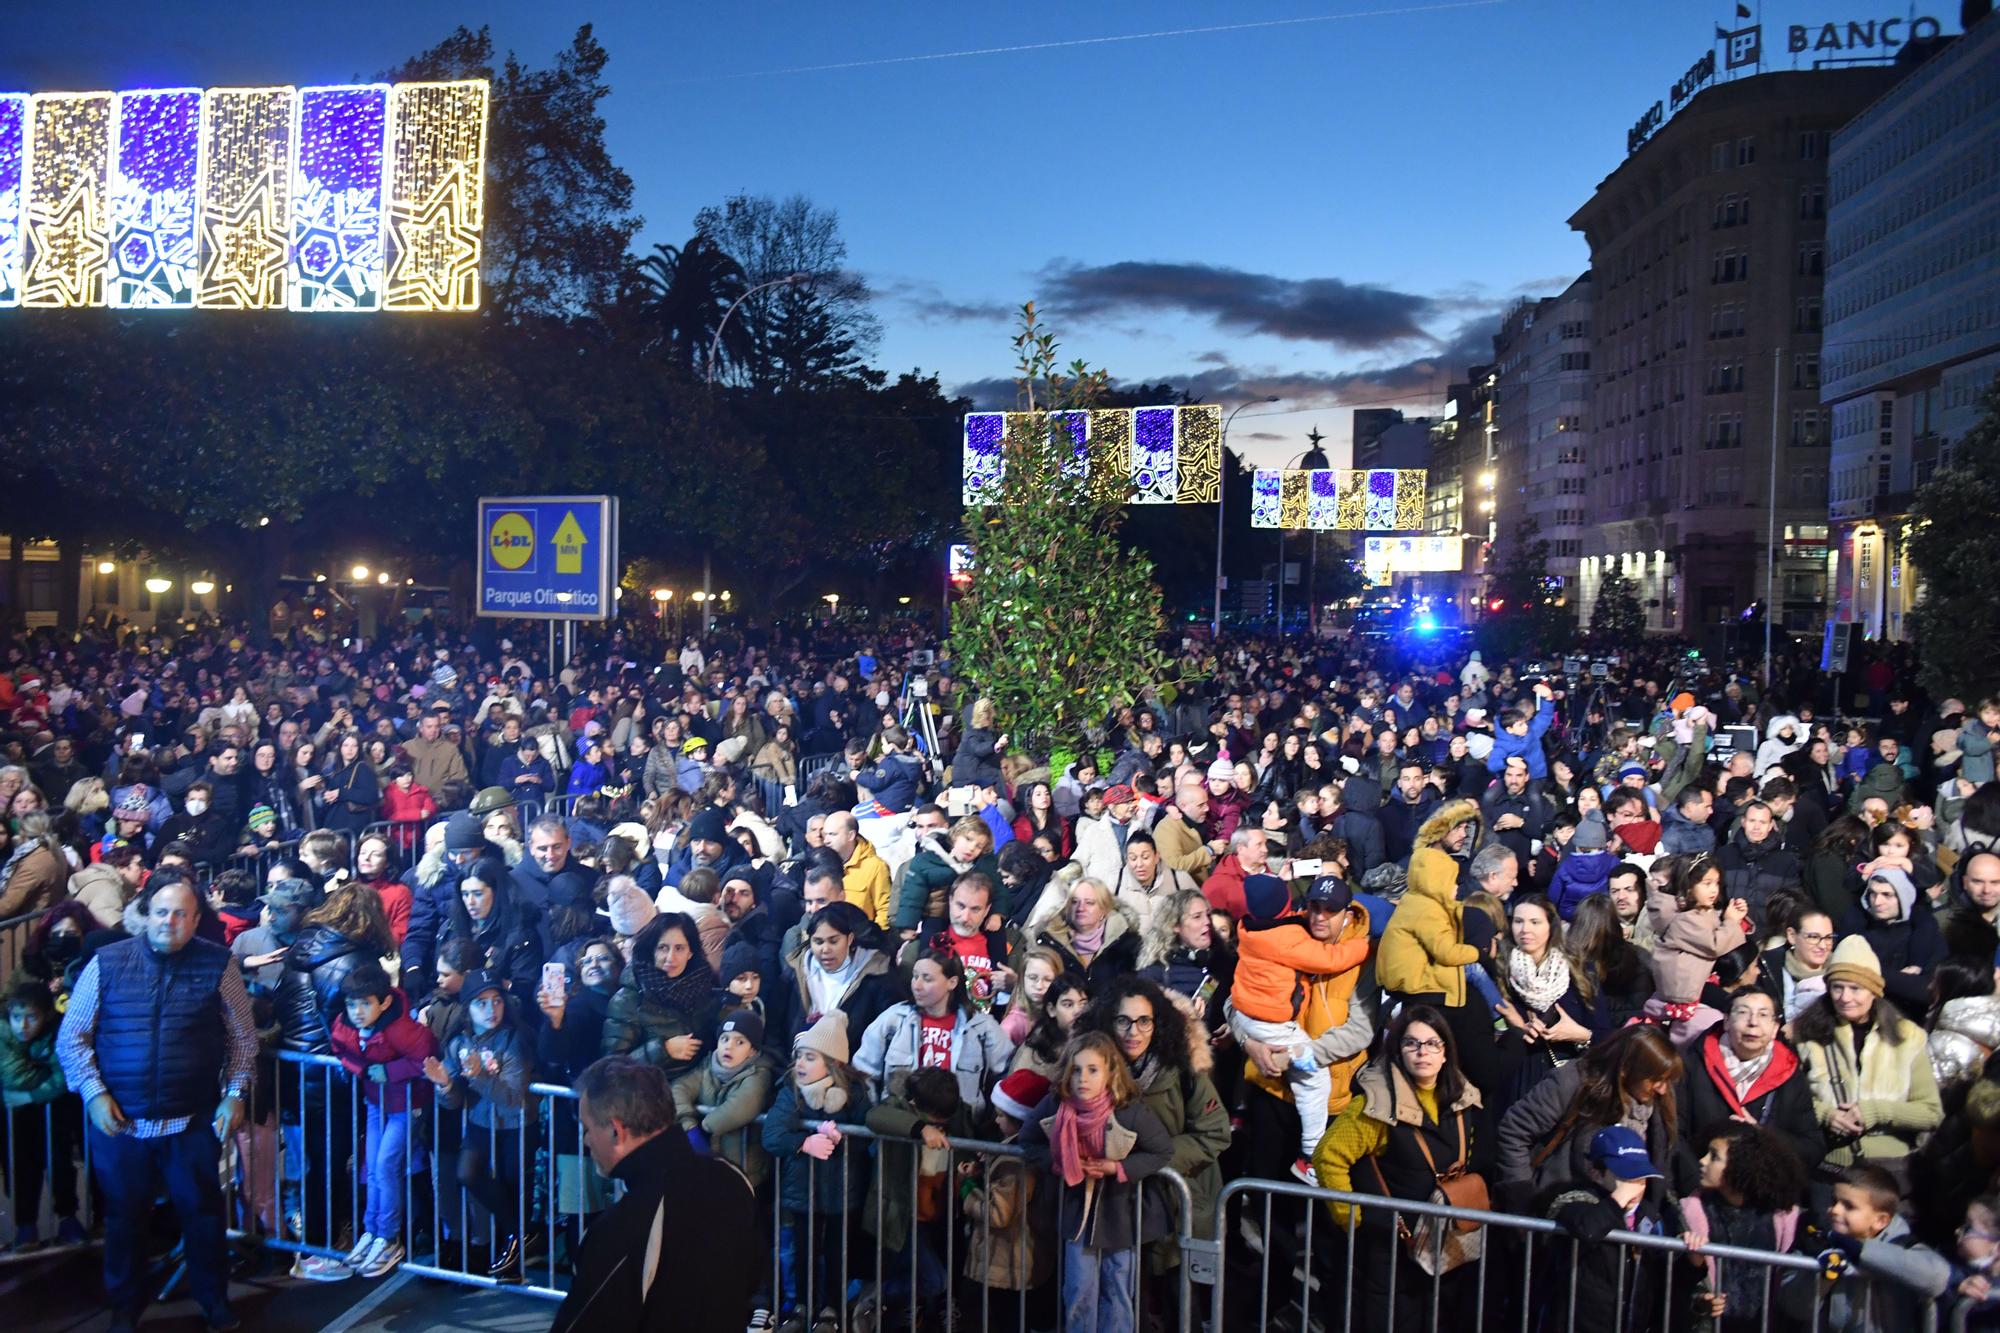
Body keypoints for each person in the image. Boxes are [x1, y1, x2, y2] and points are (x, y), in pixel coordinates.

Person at [55, 880, 256, 1331]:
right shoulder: (106, 963)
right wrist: (93, 1092)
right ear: (147, 913)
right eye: (163, 912)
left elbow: (243, 1038)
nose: (171, 921)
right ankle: (124, 1308)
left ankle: (214, 1302)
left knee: (203, 1218)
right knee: (124, 1221)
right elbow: (73, 1036)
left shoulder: (219, 964)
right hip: (121, 1125)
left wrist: (235, 1093)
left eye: (182, 914)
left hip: (191, 1123)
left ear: (196, 919)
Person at [1309, 1004, 1487, 1333]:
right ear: (1398, 1050)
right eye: (1412, 1043)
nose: (1423, 1052)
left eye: (1433, 1043)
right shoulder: (1376, 1104)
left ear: (1446, 1052)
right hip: (1388, 1252)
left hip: (1443, 1244)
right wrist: (1353, 1218)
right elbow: (1328, 1156)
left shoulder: (1463, 1101)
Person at [550, 1055, 759, 1333]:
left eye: (587, 1129)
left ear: (616, 1130)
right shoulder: (733, 1179)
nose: (586, 1140)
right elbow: (754, 1275)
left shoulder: (621, 1228)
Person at [1019, 1028, 1174, 1333]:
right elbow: (1028, 1140)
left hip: (1120, 1213)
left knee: (1117, 1288)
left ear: (1109, 1072)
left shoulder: (1129, 1110)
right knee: (1078, 1289)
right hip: (1079, 1213)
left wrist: (1117, 1168)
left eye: (1092, 1070)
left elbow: (1161, 1151)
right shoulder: (1056, 1105)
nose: (1083, 1079)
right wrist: (1060, 1163)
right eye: (1076, 1070)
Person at [1225, 872, 1369, 1178]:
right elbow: (1233, 1003)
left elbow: (1360, 1032)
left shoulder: (1360, 958)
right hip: (1273, 1088)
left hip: (1328, 1098)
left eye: (1331, 910)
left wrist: (1295, 1054)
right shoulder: (1282, 934)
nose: (1320, 917)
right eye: (1315, 907)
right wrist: (1249, 1044)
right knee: (1269, 1188)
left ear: (1347, 913)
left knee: (1316, 1206)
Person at [1794, 935, 1943, 1184]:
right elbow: (1792, 1102)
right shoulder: (1808, 1035)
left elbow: (1931, 1112)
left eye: (1855, 988)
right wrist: (1827, 1115)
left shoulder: (1908, 1037)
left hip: (1888, 1170)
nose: (1844, 997)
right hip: (1828, 1166)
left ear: (1874, 992)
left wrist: (1876, 1111)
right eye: (1837, 987)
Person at [421, 969, 537, 1282]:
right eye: (481, 1003)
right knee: (468, 1173)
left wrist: (479, 1077)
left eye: (496, 1001)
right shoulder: (460, 1041)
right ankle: (519, 1236)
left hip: (516, 1124)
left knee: (514, 1188)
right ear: (467, 1008)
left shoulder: (515, 1039)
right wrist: (445, 1085)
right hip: (480, 1122)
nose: (491, 1010)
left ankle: (515, 1253)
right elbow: (454, 1101)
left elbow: (512, 1097)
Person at [1494, 1023, 1683, 1212]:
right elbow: (1514, 1131)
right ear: (1626, 1069)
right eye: (1655, 1080)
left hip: (1623, 1222)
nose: (1663, 1089)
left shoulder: (1658, 1100)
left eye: (1667, 1080)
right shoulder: (1573, 1082)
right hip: (1557, 1214)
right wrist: (1521, 1201)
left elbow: (1665, 1162)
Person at [761, 1011, 871, 1332]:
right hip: (803, 1189)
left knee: (838, 1252)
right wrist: (804, 1141)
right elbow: (772, 1134)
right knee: (805, 1249)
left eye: (810, 1057)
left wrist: (845, 1137)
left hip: (842, 1190)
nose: (801, 1064)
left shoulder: (855, 1094)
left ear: (833, 1063)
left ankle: (832, 1309)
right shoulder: (791, 1091)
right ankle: (802, 1305)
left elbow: (868, 1138)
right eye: (799, 1056)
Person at [327, 960, 437, 1280]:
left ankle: (389, 1237)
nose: (357, 1011)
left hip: (406, 1105)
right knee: (373, 1166)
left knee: (387, 1165)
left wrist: (389, 1071)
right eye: (352, 1004)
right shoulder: (346, 1024)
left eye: (365, 1004)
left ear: (384, 1001)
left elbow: (427, 1057)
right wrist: (363, 1070)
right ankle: (372, 1231)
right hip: (376, 1102)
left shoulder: (401, 1028)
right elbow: (339, 1047)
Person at [1673, 989, 1822, 1192]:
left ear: (1775, 1027)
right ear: (1726, 1021)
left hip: (1761, 1195)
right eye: (1743, 1012)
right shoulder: (1692, 1066)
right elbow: (1675, 1135)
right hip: (1700, 1189)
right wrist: (1695, 1185)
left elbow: (1812, 1147)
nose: (1753, 1022)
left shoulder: (1789, 1074)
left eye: (1763, 1015)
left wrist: (1764, 1135)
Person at [1778, 1163, 1950, 1332]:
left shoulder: (1902, 1244)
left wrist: (1860, 1251)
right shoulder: (1816, 1241)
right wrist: (1824, 1278)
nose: (1834, 1210)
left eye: (1849, 1206)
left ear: (1880, 1221)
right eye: (1834, 1200)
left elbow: (1937, 1278)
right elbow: (1794, 1306)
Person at [854, 945, 1014, 1118]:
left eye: (927, 979)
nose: (917, 985)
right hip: (903, 1129)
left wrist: (985, 1121)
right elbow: (864, 1072)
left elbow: (1005, 1077)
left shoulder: (981, 1027)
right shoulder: (893, 1019)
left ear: (952, 982)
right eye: (915, 977)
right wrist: (881, 1116)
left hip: (960, 1130)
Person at [1679, 1121, 1807, 1333]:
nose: (1702, 1161)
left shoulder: (1782, 1214)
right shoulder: (1694, 1208)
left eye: (1714, 1156)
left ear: (1741, 1165)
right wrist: (1701, 1298)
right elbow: (1681, 1281)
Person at [2, 982, 82, 1252]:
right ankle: (26, 1224)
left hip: (52, 1110)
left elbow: (65, 1076)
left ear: (46, 1015)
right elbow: (12, 1074)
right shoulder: (4, 1036)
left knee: (59, 1160)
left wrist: (30, 1095)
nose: (22, 1026)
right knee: (20, 1164)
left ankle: (67, 1218)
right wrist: (44, 1081)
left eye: (31, 1017)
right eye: (16, 1018)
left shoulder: (60, 1032)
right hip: (16, 1115)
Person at [601, 914, 720, 1084]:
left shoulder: (704, 985)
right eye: (663, 948)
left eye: (679, 948)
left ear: (690, 952)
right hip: (652, 1092)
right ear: (651, 950)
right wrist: (664, 1050)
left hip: (701, 1085)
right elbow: (612, 1068)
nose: (670, 957)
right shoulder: (629, 998)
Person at [1645, 853, 1750, 1045]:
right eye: (1706, 883)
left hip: (1698, 985)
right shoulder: (1683, 920)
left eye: (1716, 883)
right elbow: (1714, 944)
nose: (1714, 890)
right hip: (1684, 993)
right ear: (1689, 887)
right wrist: (1731, 921)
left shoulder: (1699, 911)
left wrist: (1736, 917)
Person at [1033, 876, 1141, 990]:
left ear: (1104, 908)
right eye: (1074, 902)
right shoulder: (1049, 942)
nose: (1080, 908)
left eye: (1089, 903)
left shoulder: (1128, 945)